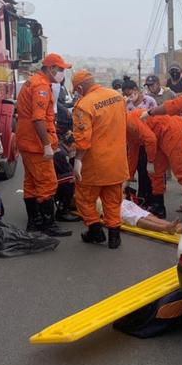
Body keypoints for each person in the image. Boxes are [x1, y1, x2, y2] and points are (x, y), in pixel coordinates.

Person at [16, 53, 73, 237]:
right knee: (47, 183)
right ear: (51, 68)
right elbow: (39, 118)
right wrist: (47, 145)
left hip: (27, 140)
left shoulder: (34, 81)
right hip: (36, 143)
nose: (62, 73)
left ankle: (35, 223)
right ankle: (48, 224)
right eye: (61, 69)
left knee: (32, 183)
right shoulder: (41, 86)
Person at [71, 70, 129, 249]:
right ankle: (114, 237)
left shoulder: (83, 105)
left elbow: (83, 139)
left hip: (94, 163)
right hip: (117, 160)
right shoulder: (117, 97)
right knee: (112, 200)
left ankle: (96, 232)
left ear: (80, 88)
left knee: (84, 199)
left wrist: (78, 161)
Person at [126, 108, 182, 218]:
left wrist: (150, 160)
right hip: (159, 136)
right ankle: (158, 207)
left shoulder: (129, 122)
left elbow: (150, 139)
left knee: (181, 170)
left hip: (170, 130)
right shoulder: (126, 127)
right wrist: (128, 178)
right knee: (155, 172)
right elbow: (133, 152)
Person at [122, 78, 156, 203]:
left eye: (130, 94)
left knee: (150, 171)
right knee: (140, 168)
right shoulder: (126, 104)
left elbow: (156, 118)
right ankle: (143, 197)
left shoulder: (150, 101)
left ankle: (151, 198)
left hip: (149, 137)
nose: (128, 97)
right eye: (126, 95)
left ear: (136, 90)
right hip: (135, 138)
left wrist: (151, 160)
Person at [53, 131, 80, 222]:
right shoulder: (62, 154)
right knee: (70, 178)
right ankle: (63, 211)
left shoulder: (60, 148)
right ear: (73, 145)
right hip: (50, 180)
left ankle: (67, 206)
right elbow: (66, 171)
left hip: (50, 177)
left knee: (70, 176)